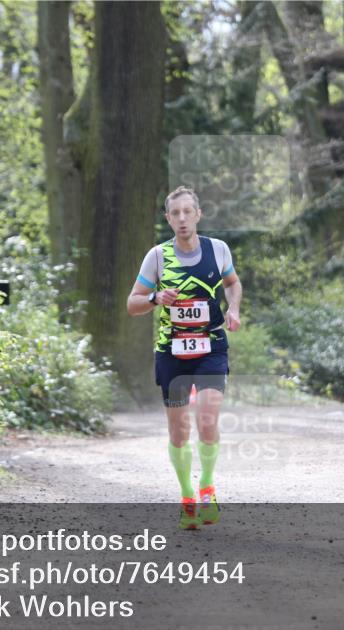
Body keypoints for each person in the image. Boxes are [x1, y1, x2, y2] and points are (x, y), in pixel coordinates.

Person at [126, 186, 242, 530]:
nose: (181, 219)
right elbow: (133, 303)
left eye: (187, 212)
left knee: (207, 419)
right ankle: (188, 495)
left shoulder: (217, 250)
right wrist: (156, 298)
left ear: (198, 215)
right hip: (172, 352)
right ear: (168, 219)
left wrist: (233, 308)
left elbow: (233, 283)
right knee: (178, 431)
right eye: (174, 214)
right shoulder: (158, 256)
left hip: (211, 348)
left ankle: (207, 487)